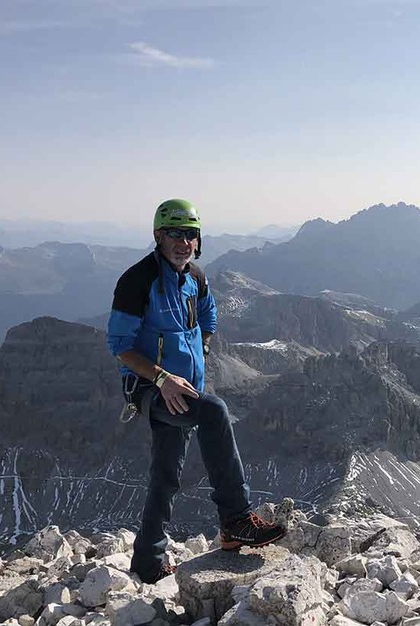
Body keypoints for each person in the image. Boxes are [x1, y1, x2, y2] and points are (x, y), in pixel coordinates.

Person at [106, 198, 285, 584]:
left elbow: (209, 316)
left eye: (190, 234)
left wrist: (200, 349)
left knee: (166, 474)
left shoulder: (195, 278)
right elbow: (120, 346)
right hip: (150, 388)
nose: (183, 242)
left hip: (183, 388)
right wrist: (162, 379)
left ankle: (148, 563)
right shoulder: (137, 281)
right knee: (214, 412)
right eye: (175, 233)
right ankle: (236, 519)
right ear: (158, 236)